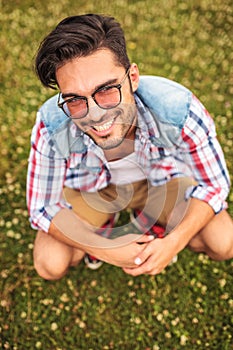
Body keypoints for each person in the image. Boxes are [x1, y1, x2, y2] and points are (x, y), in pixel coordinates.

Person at [27, 14, 233, 280]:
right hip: (93, 190)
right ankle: (112, 225)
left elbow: (214, 186)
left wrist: (173, 243)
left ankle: (153, 224)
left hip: (160, 183)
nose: (94, 113)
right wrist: (106, 247)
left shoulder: (179, 109)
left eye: (107, 89)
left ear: (133, 77)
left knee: (223, 242)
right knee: (50, 264)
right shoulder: (52, 125)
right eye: (75, 99)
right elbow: (42, 207)